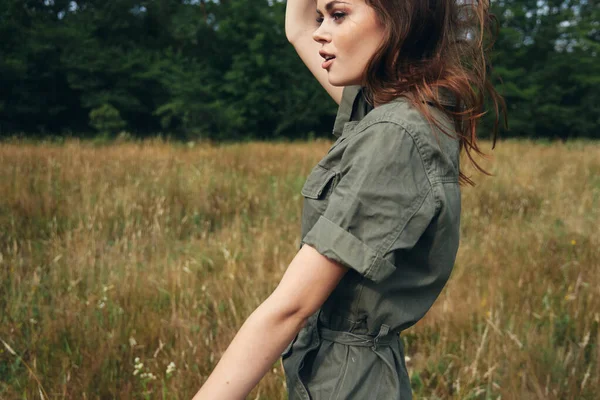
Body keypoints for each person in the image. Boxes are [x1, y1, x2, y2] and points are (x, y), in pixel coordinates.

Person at [192, 0, 505, 399]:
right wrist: (325, 15)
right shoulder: (403, 109)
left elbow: (291, 307)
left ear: (401, 19)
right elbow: (297, 28)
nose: (321, 31)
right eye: (322, 17)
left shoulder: (396, 134)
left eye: (338, 15)